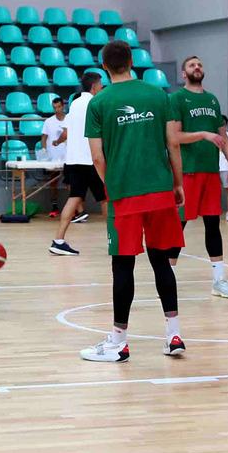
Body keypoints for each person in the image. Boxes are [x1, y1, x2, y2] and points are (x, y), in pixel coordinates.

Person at [79, 40, 185, 362]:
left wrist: (113, 185)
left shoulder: (98, 103)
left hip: (124, 195)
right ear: (131, 61)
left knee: (123, 265)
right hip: (160, 190)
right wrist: (177, 183)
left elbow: (97, 158)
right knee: (161, 262)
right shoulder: (158, 95)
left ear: (105, 65)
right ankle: (174, 334)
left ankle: (118, 341)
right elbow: (173, 144)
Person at [170, 56, 228, 298]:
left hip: (210, 173)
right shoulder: (177, 99)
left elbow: (223, 137)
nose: (197, 67)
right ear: (183, 73)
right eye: (192, 65)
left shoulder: (212, 99)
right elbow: (174, 137)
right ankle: (167, 278)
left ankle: (219, 280)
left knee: (213, 226)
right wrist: (202, 135)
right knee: (178, 226)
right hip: (187, 172)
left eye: (200, 64)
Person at [49, 73, 106, 256]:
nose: (102, 88)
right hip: (90, 159)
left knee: (74, 198)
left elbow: (68, 132)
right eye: (101, 85)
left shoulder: (74, 103)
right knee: (106, 199)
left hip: (73, 160)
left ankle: (58, 240)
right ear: (94, 86)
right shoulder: (95, 103)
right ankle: (115, 239)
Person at [41, 96, 68, 216]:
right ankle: (54, 206)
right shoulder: (48, 121)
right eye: (54, 107)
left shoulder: (69, 119)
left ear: (63, 106)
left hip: (68, 157)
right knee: (53, 182)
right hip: (53, 157)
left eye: (58, 107)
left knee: (70, 183)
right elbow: (44, 137)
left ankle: (73, 209)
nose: (56, 109)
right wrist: (44, 150)